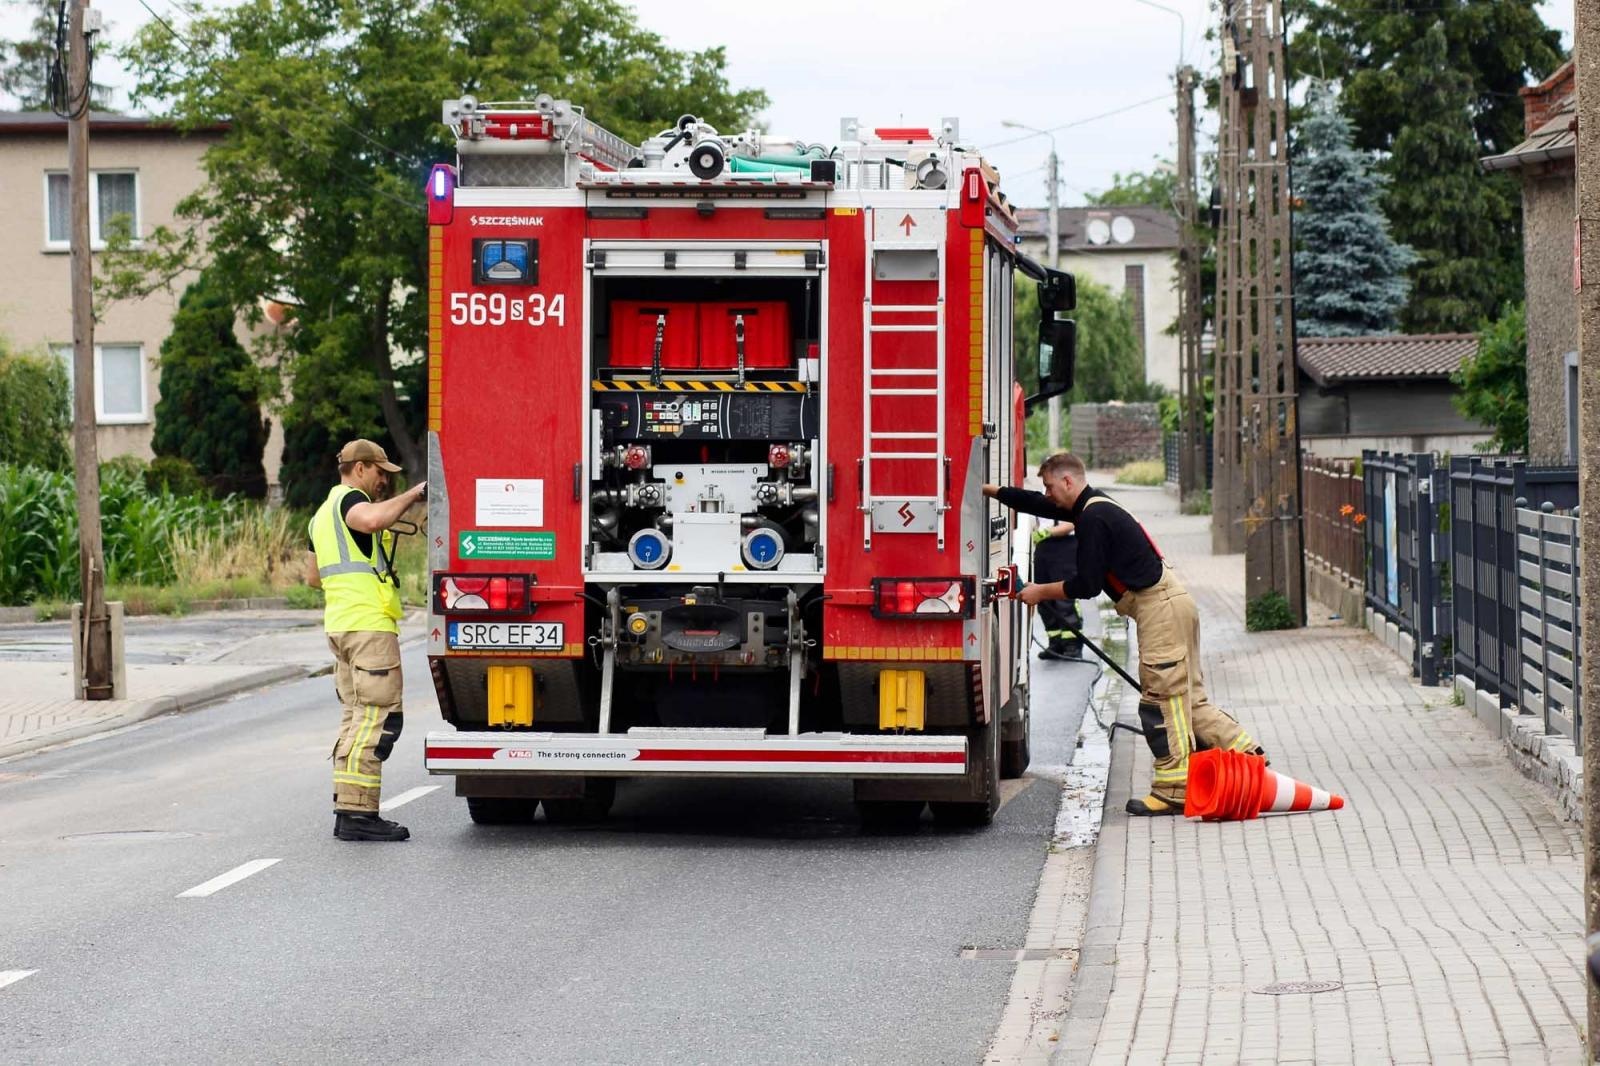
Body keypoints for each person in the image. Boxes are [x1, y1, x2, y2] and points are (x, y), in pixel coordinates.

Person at [984, 452, 1266, 816]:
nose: (1048, 495)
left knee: (1162, 701)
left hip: (1159, 609)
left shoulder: (1093, 518)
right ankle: (1250, 760)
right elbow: (1037, 503)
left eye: (1051, 486)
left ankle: (1173, 790)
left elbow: (1086, 585)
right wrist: (989, 490)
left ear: (1068, 481)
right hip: (1173, 602)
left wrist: (1039, 591)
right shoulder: (1093, 505)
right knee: (1189, 702)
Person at [305, 439, 426, 842]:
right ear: (359, 468)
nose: (383, 482)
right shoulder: (350, 502)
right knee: (379, 718)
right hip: (367, 625)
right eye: (379, 473)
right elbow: (371, 520)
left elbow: (313, 577)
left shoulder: (320, 515)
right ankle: (359, 816)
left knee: (357, 720)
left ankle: (350, 810)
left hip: (341, 626)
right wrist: (414, 494)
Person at [1030, 521, 1084, 661]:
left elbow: (1071, 523)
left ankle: (1072, 644)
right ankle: (1055, 643)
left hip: (1064, 546)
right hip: (1042, 547)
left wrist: (1046, 532)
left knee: (1065, 599)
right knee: (1044, 599)